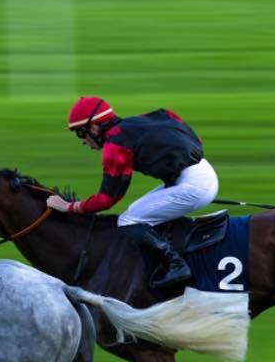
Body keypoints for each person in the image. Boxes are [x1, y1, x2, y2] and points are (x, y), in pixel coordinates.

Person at [46, 96, 219, 288]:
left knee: (129, 220)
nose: (83, 142)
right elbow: (175, 119)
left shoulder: (115, 145)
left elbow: (107, 199)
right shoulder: (143, 120)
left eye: (80, 134)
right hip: (199, 173)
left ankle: (176, 264)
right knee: (139, 210)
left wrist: (70, 206)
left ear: (94, 128)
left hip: (192, 184)